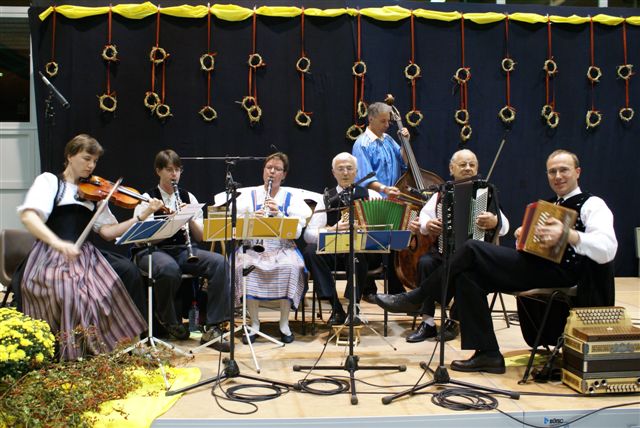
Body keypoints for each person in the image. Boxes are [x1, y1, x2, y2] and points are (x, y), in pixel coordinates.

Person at [379, 150, 617, 374]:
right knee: (467, 277)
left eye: (563, 170)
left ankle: (418, 296)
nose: (557, 176)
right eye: (552, 171)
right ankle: (488, 354)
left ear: (578, 172)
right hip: (539, 267)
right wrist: (525, 238)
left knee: (471, 248)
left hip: (567, 273)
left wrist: (570, 234)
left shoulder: (592, 205)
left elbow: (608, 249)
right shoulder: (550, 205)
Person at [17, 134, 164, 361]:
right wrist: (57, 243)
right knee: (69, 289)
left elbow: (107, 232)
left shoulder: (95, 194)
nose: (91, 165)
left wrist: (141, 216)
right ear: (69, 156)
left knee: (129, 271)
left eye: (94, 161)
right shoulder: (50, 182)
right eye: (86, 158)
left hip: (85, 254)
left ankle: (132, 342)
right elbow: (29, 217)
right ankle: (74, 352)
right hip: (50, 253)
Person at [376, 149, 509, 343]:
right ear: (451, 168)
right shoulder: (442, 193)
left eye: (472, 164)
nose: (468, 168)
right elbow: (424, 218)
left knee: (467, 272)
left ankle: (453, 321)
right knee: (426, 262)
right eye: (463, 165)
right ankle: (428, 323)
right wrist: (427, 225)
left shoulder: (486, 193)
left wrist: (494, 221)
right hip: (444, 253)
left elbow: (505, 227)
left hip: (475, 257)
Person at [134, 150, 230, 351]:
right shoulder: (147, 198)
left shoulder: (188, 197)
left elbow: (201, 236)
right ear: (158, 171)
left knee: (220, 263)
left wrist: (188, 218)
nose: (174, 175)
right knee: (168, 269)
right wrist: (172, 222)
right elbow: (143, 238)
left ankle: (213, 327)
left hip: (181, 249)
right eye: (169, 170)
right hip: (152, 250)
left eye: (177, 170)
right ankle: (169, 321)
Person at [234, 152, 311, 344]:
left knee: (292, 267)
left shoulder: (290, 198)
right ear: (263, 171)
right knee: (244, 268)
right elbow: (235, 226)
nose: (272, 172)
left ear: (283, 175)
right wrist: (251, 218)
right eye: (269, 168)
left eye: (277, 169)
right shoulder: (248, 196)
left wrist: (280, 215)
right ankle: (254, 323)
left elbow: (296, 232)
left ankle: (284, 323)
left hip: (281, 246)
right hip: (253, 246)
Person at [303, 152, 381, 326]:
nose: (345, 173)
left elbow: (382, 229)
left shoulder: (371, 195)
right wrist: (331, 230)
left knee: (357, 252)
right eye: (340, 169)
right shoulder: (325, 199)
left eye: (349, 168)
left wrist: (366, 229)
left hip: (361, 252)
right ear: (333, 173)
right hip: (334, 251)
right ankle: (336, 307)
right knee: (310, 252)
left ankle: (354, 307)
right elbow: (308, 235)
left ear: (356, 172)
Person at [351, 101, 410, 298]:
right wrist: (383, 188)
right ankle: (368, 288)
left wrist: (405, 144)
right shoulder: (361, 144)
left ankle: (395, 286)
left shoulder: (389, 140)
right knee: (370, 245)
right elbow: (364, 177)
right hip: (373, 198)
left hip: (393, 198)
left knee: (394, 244)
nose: (387, 125)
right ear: (371, 119)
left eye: (389, 121)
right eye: (383, 121)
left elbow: (404, 163)